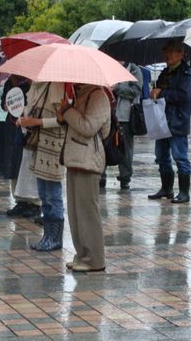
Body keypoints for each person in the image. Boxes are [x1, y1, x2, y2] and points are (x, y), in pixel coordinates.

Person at [57, 83, 110, 272]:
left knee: (87, 212)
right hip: (74, 158)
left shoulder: (98, 95)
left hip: (89, 160)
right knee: (75, 212)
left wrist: (68, 111)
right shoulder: (80, 94)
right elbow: (74, 128)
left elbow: (88, 128)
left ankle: (94, 259)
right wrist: (63, 118)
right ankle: (81, 254)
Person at [16, 82, 66, 251]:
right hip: (39, 146)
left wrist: (36, 121)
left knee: (53, 194)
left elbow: (62, 120)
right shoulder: (35, 86)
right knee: (44, 194)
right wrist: (24, 119)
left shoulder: (56, 86)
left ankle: (55, 238)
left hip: (52, 146)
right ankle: (47, 235)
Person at [148, 39, 191, 203]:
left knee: (180, 156)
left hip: (177, 121)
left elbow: (185, 95)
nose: (167, 54)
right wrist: (154, 92)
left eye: (171, 51)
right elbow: (159, 92)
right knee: (161, 156)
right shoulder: (165, 72)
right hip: (162, 121)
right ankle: (166, 188)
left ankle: (184, 192)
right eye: (166, 51)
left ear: (180, 54)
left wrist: (161, 93)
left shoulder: (186, 73)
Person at [1, 75, 41, 220]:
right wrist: (7, 105)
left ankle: (35, 203)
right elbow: (5, 102)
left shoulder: (41, 86)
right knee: (15, 165)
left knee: (30, 166)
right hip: (14, 129)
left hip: (32, 132)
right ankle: (20, 200)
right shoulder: (12, 82)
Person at [100, 62, 143, 190]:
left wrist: (117, 87)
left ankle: (125, 177)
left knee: (126, 147)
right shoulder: (106, 67)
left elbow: (136, 91)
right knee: (103, 145)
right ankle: (101, 176)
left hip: (125, 116)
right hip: (106, 113)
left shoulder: (134, 70)